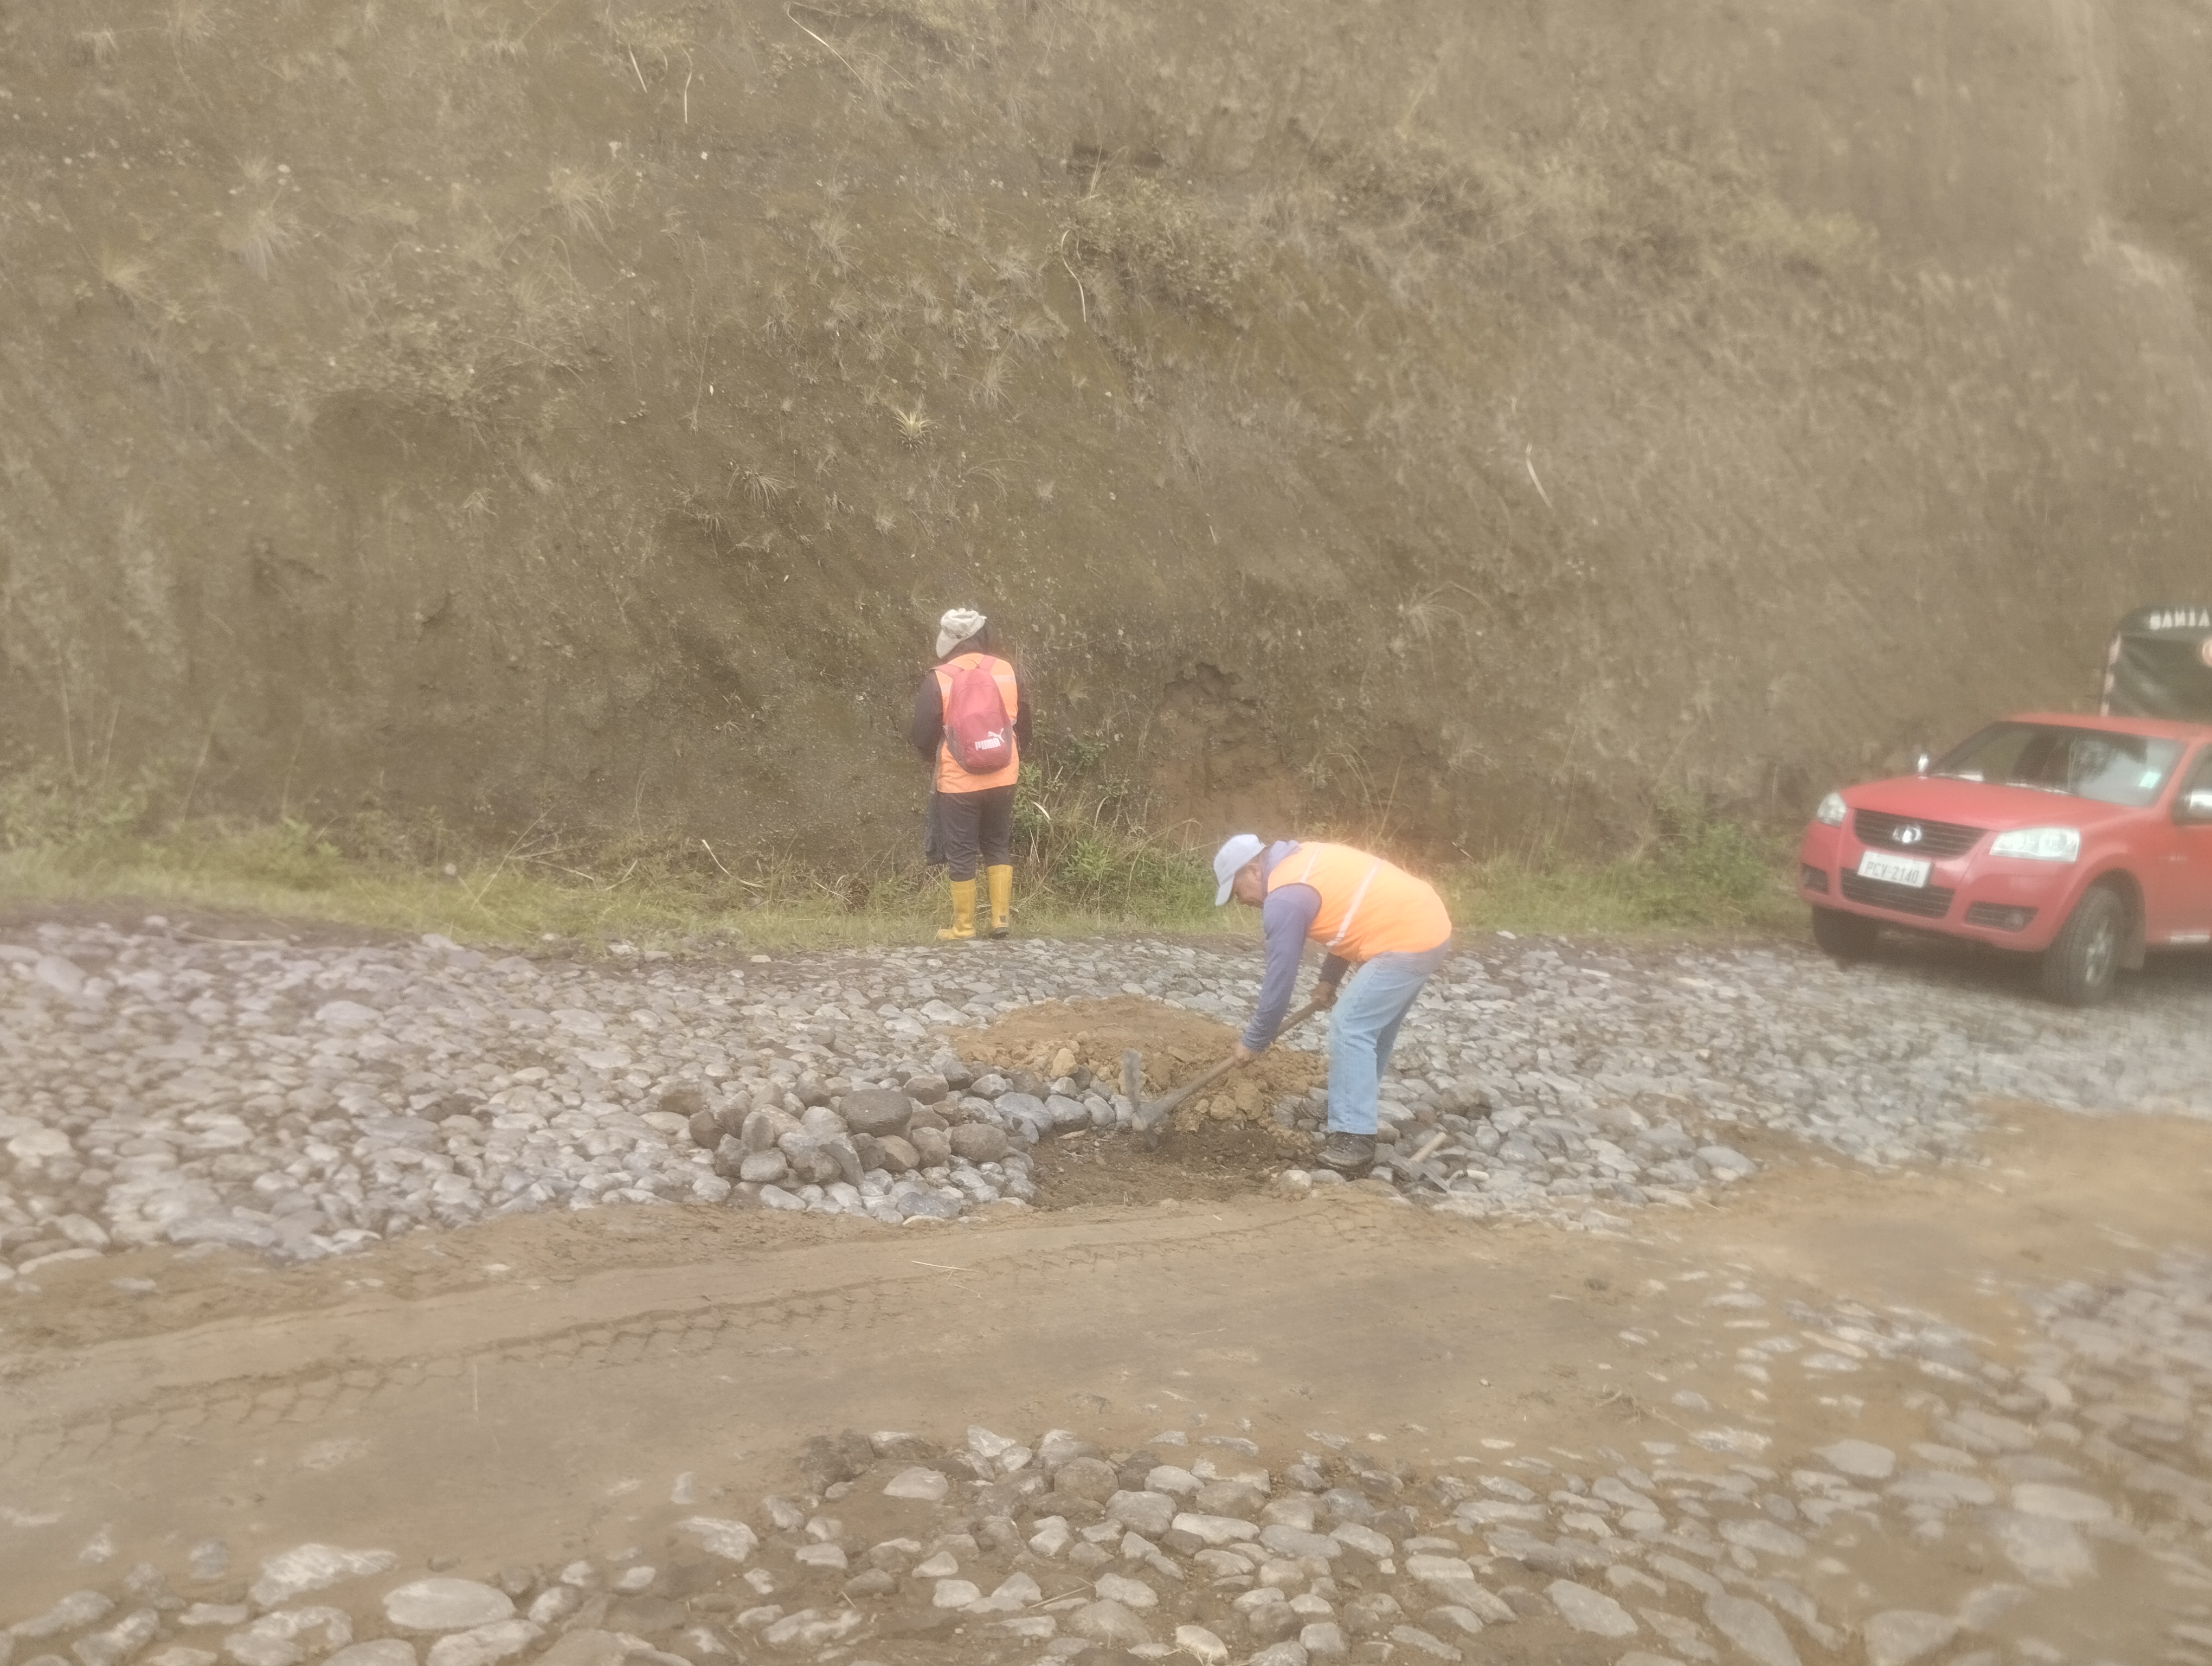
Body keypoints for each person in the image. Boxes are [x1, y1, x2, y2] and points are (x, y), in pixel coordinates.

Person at [1213, 833, 1453, 1174]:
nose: (1243, 902)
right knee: (1373, 1031)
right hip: (1427, 923)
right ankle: (1351, 1109)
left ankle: (1355, 1138)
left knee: (1350, 1025)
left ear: (1253, 870)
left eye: (1238, 892)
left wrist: (1255, 1040)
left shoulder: (1284, 898)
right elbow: (1351, 916)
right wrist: (1329, 979)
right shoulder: (1302, 860)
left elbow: (1279, 982)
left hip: (1406, 937)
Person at [911, 607, 1030, 940]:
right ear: (981, 636)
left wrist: (936, 758)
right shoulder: (1006, 671)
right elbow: (1025, 723)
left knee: (962, 850)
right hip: (1004, 775)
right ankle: (1000, 919)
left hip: (959, 780)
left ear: (950, 641)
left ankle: (963, 927)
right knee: (997, 844)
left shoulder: (939, 677)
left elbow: (921, 734)